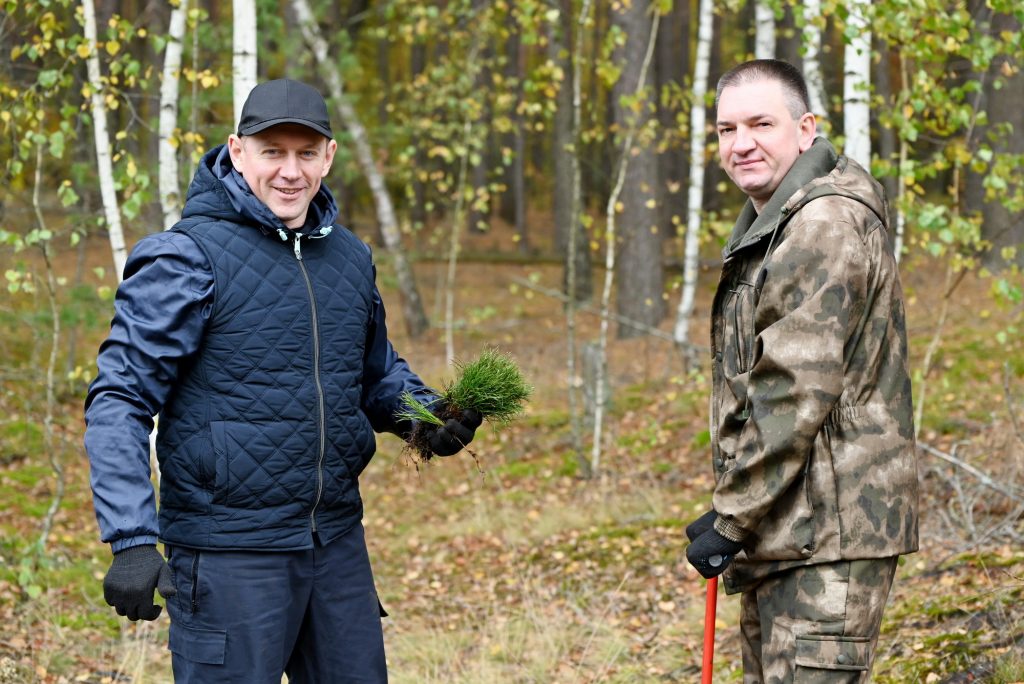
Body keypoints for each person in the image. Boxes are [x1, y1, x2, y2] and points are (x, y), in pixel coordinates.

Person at [84, 78, 481, 683]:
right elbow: (120, 397)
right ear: (238, 152)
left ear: (329, 156)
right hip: (228, 555)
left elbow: (373, 374)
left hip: (336, 544)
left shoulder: (349, 257)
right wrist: (132, 536)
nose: (290, 172)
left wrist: (428, 419)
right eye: (272, 152)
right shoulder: (184, 258)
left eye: (305, 153)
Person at [683, 59, 919, 682]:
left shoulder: (821, 224)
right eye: (726, 129)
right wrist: (740, 514)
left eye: (762, 124)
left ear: (806, 128)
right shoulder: (778, 220)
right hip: (790, 527)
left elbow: (793, 389)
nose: (741, 144)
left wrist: (732, 515)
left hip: (828, 532)